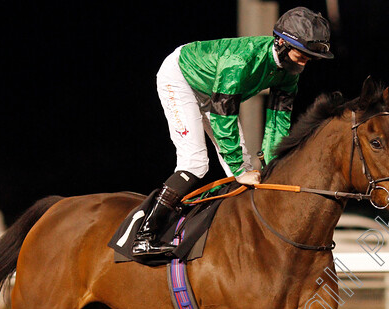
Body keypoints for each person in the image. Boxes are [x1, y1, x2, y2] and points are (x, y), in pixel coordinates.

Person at [131, 6, 334, 258]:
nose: (305, 60)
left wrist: (274, 168)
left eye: (310, 56)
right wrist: (239, 171)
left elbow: (278, 121)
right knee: (196, 164)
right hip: (181, 78)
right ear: (281, 42)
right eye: (301, 53)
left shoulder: (290, 72)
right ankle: (145, 235)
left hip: (215, 93)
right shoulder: (241, 60)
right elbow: (222, 114)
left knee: (248, 170)